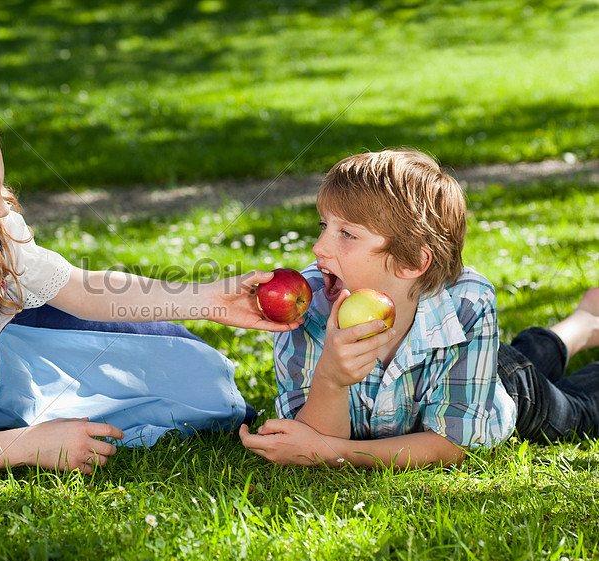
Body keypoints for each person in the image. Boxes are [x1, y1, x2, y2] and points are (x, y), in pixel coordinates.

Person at [0, 93, 299, 475]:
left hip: (2, 373)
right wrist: (27, 446)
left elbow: (82, 288)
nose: (4, 207)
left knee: (196, 380)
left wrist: (208, 299)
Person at [240, 149, 599, 469]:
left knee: (575, 412)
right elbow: (307, 440)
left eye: (347, 234)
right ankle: (583, 324)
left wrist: (336, 453)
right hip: (470, 365)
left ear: (411, 262)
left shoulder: (466, 305)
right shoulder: (306, 308)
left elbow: (451, 445)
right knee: (523, 356)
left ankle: (582, 325)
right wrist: (330, 379)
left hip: (503, 390)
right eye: (324, 226)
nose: (319, 247)